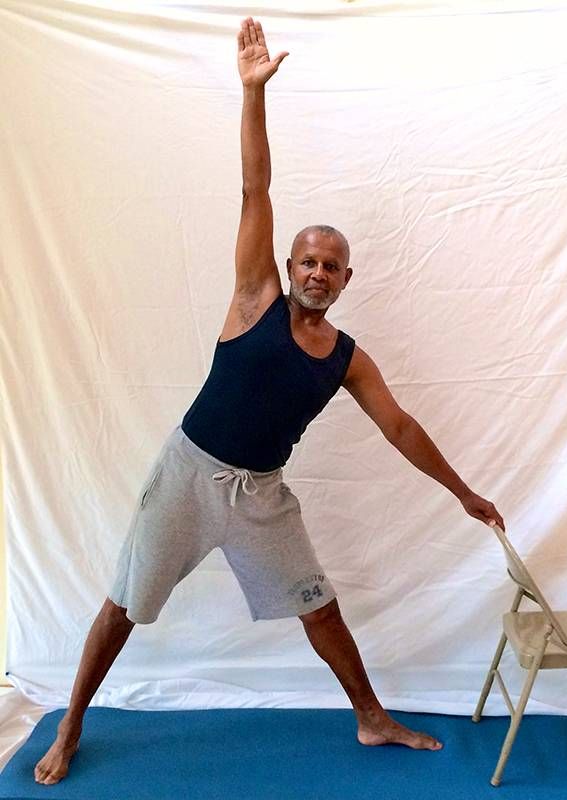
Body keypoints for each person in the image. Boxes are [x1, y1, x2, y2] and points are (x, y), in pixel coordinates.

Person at [34, 17, 505, 786]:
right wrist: (253, 95)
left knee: (320, 608)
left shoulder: (348, 359)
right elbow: (257, 186)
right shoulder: (255, 297)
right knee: (123, 604)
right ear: (289, 265)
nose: (318, 272)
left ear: (347, 280)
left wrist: (463, 492)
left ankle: (371, 718)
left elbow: (400, 426)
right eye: (309, 260)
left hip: (261, 499)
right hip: (188, 477)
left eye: (332, 266)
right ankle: (74, 725)